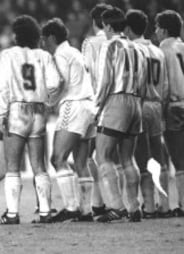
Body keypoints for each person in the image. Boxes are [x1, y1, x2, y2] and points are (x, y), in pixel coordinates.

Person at [0, 15, 61, 224]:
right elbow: (55, 82)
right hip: (38, 110)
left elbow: (2, 86)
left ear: (16, 34)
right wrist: (48, 101)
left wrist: (1, 113)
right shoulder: (44, 55)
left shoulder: (8, 55)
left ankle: (12, 214)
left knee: (13, 165)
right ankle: (45, 212)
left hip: (17, 110)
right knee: (39, 165)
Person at [41, 18, 96, 222]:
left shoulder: (60, 54)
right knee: (81, 162)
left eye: (44, 39)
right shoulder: (75, 52)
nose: (43, 43)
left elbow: (58, 83)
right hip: (89, 106)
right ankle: (86, 210)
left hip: (73, 105)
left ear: (52, 38)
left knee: (58, 158)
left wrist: (48, 102)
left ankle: (71, 208)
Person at [94, 7, 146, 222]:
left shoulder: (109, 45)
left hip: (116, 101)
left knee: (102, 155)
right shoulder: (137, 48)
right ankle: (134, 207)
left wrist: (96, 108)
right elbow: (142, 80)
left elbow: (104, 81)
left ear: (106, 25)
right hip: (135, 102)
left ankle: (117, 207)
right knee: (127, 157)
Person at [125, 10, 171, 218]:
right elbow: (166, 84)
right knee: (158, 156)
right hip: (156, 105)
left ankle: (149, 206)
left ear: (127, 28)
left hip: (140, 104)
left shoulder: (132, 49)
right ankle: (165, 204)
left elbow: (134, 80)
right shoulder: (157, 50)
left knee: (142, 158)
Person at [81, 3, 113, 218]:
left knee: (89, 154)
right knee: (118, 156)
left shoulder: (90, 43)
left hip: (95, 103)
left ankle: (99, 203)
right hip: (119, 102)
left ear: (94, 22)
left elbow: (86, 73)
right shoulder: (121, 42)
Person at [155, 10, 184, 217]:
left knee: (177, 159)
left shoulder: (163, 50)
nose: (155, 31)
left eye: (157, 27)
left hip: (172, 107)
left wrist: (161, 110)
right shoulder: (182, 46)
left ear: (164, 30)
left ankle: (180, 204)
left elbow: (163, 85)